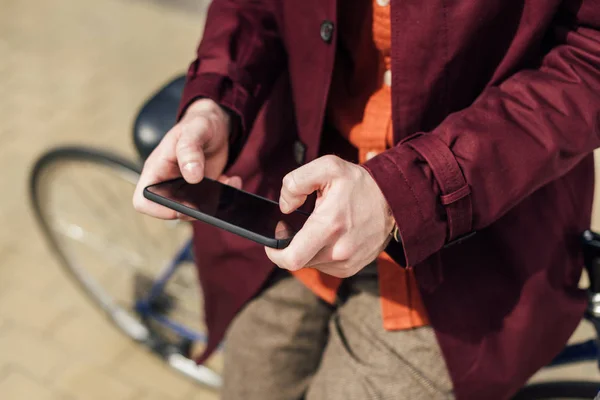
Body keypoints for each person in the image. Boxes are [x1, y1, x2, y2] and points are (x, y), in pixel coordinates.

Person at [133, 0, 600, 398]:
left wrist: (406, 192)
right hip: (289, 200)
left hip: (469, 259)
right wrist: (214, 100)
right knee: (253, 380)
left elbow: (590, 57)